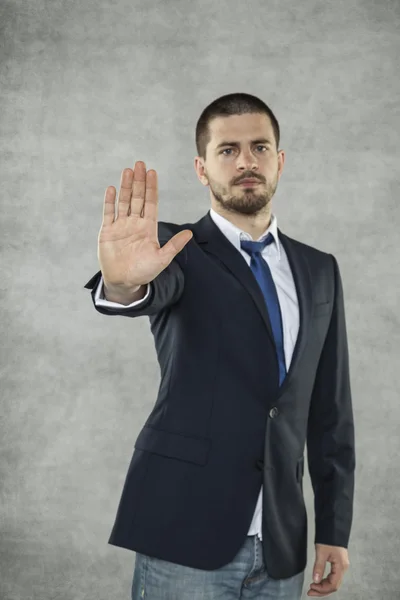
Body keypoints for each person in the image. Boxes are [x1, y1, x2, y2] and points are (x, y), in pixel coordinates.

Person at [84, 93, 355, 600]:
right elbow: (139, 290)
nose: (246, 161)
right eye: (227, 150)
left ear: (280, 160)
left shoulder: (321, 270)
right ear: (202, 169)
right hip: (183, 530)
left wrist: (334, 531)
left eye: (259, 147)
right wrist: (122, 285)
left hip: (281, 542)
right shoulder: (173, 250)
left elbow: (330, 412)